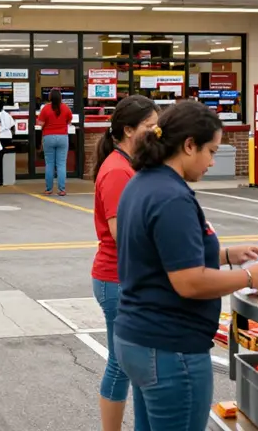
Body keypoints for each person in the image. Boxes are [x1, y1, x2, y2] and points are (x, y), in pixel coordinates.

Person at [114, 100, 258, 431]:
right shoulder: (172, 197)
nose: (212, 162)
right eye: (212, 151)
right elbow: (188, 282)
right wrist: (249, 277)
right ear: (189, 145)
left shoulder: (143, 182)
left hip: (140, 338)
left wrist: (227, 255)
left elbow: (162, 255)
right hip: (171, 347)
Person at [91, 95, 158, 431]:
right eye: (149, 127)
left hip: (123, 277)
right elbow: (122, 233)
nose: (156, 132)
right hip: (116, 279)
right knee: (121, 364)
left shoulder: (128, 165)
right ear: (129, 130)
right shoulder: (117, 171)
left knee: (133, 363)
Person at [37, 88, 73, 196]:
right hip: (63, 137)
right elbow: (69, 121)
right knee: (61, 164)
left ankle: (49, 189)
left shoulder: (46, 109)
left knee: (49, 164)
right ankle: (61, 189)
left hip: (48, 137)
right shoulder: (66, 108)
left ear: (50, 97)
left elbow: (40, 123)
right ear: (61, 97)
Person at [0, 99, 15, 186]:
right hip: (7, 137)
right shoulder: (7, 115)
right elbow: (12, 126)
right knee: (4, 160)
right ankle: (2, 180)